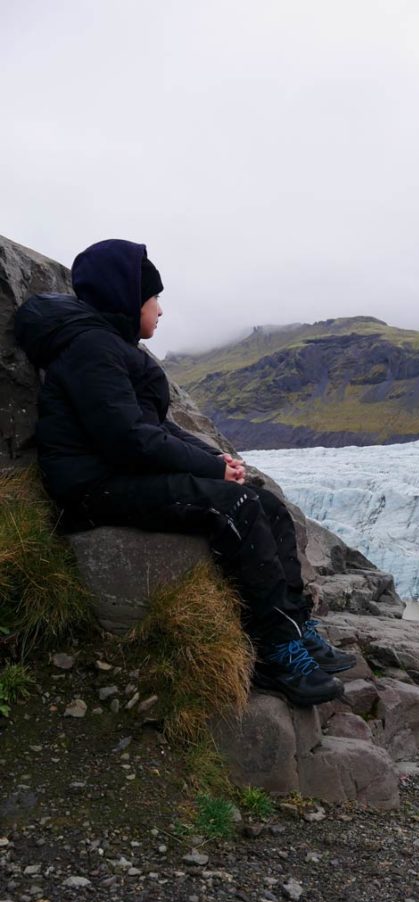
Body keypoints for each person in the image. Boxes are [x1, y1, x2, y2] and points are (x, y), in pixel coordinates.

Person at [14, 238, 355, 707]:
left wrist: (220, 463)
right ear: (126, 299)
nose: (160, 310)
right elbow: (128, 439)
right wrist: (211, 467)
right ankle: (276, 652)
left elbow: (155, 428)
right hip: (93, 487)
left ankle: (296, 629)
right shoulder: (91, 350)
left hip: (116, 473)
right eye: (153, 298)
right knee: (234, 507)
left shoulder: (108, 345)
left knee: (265, 503)